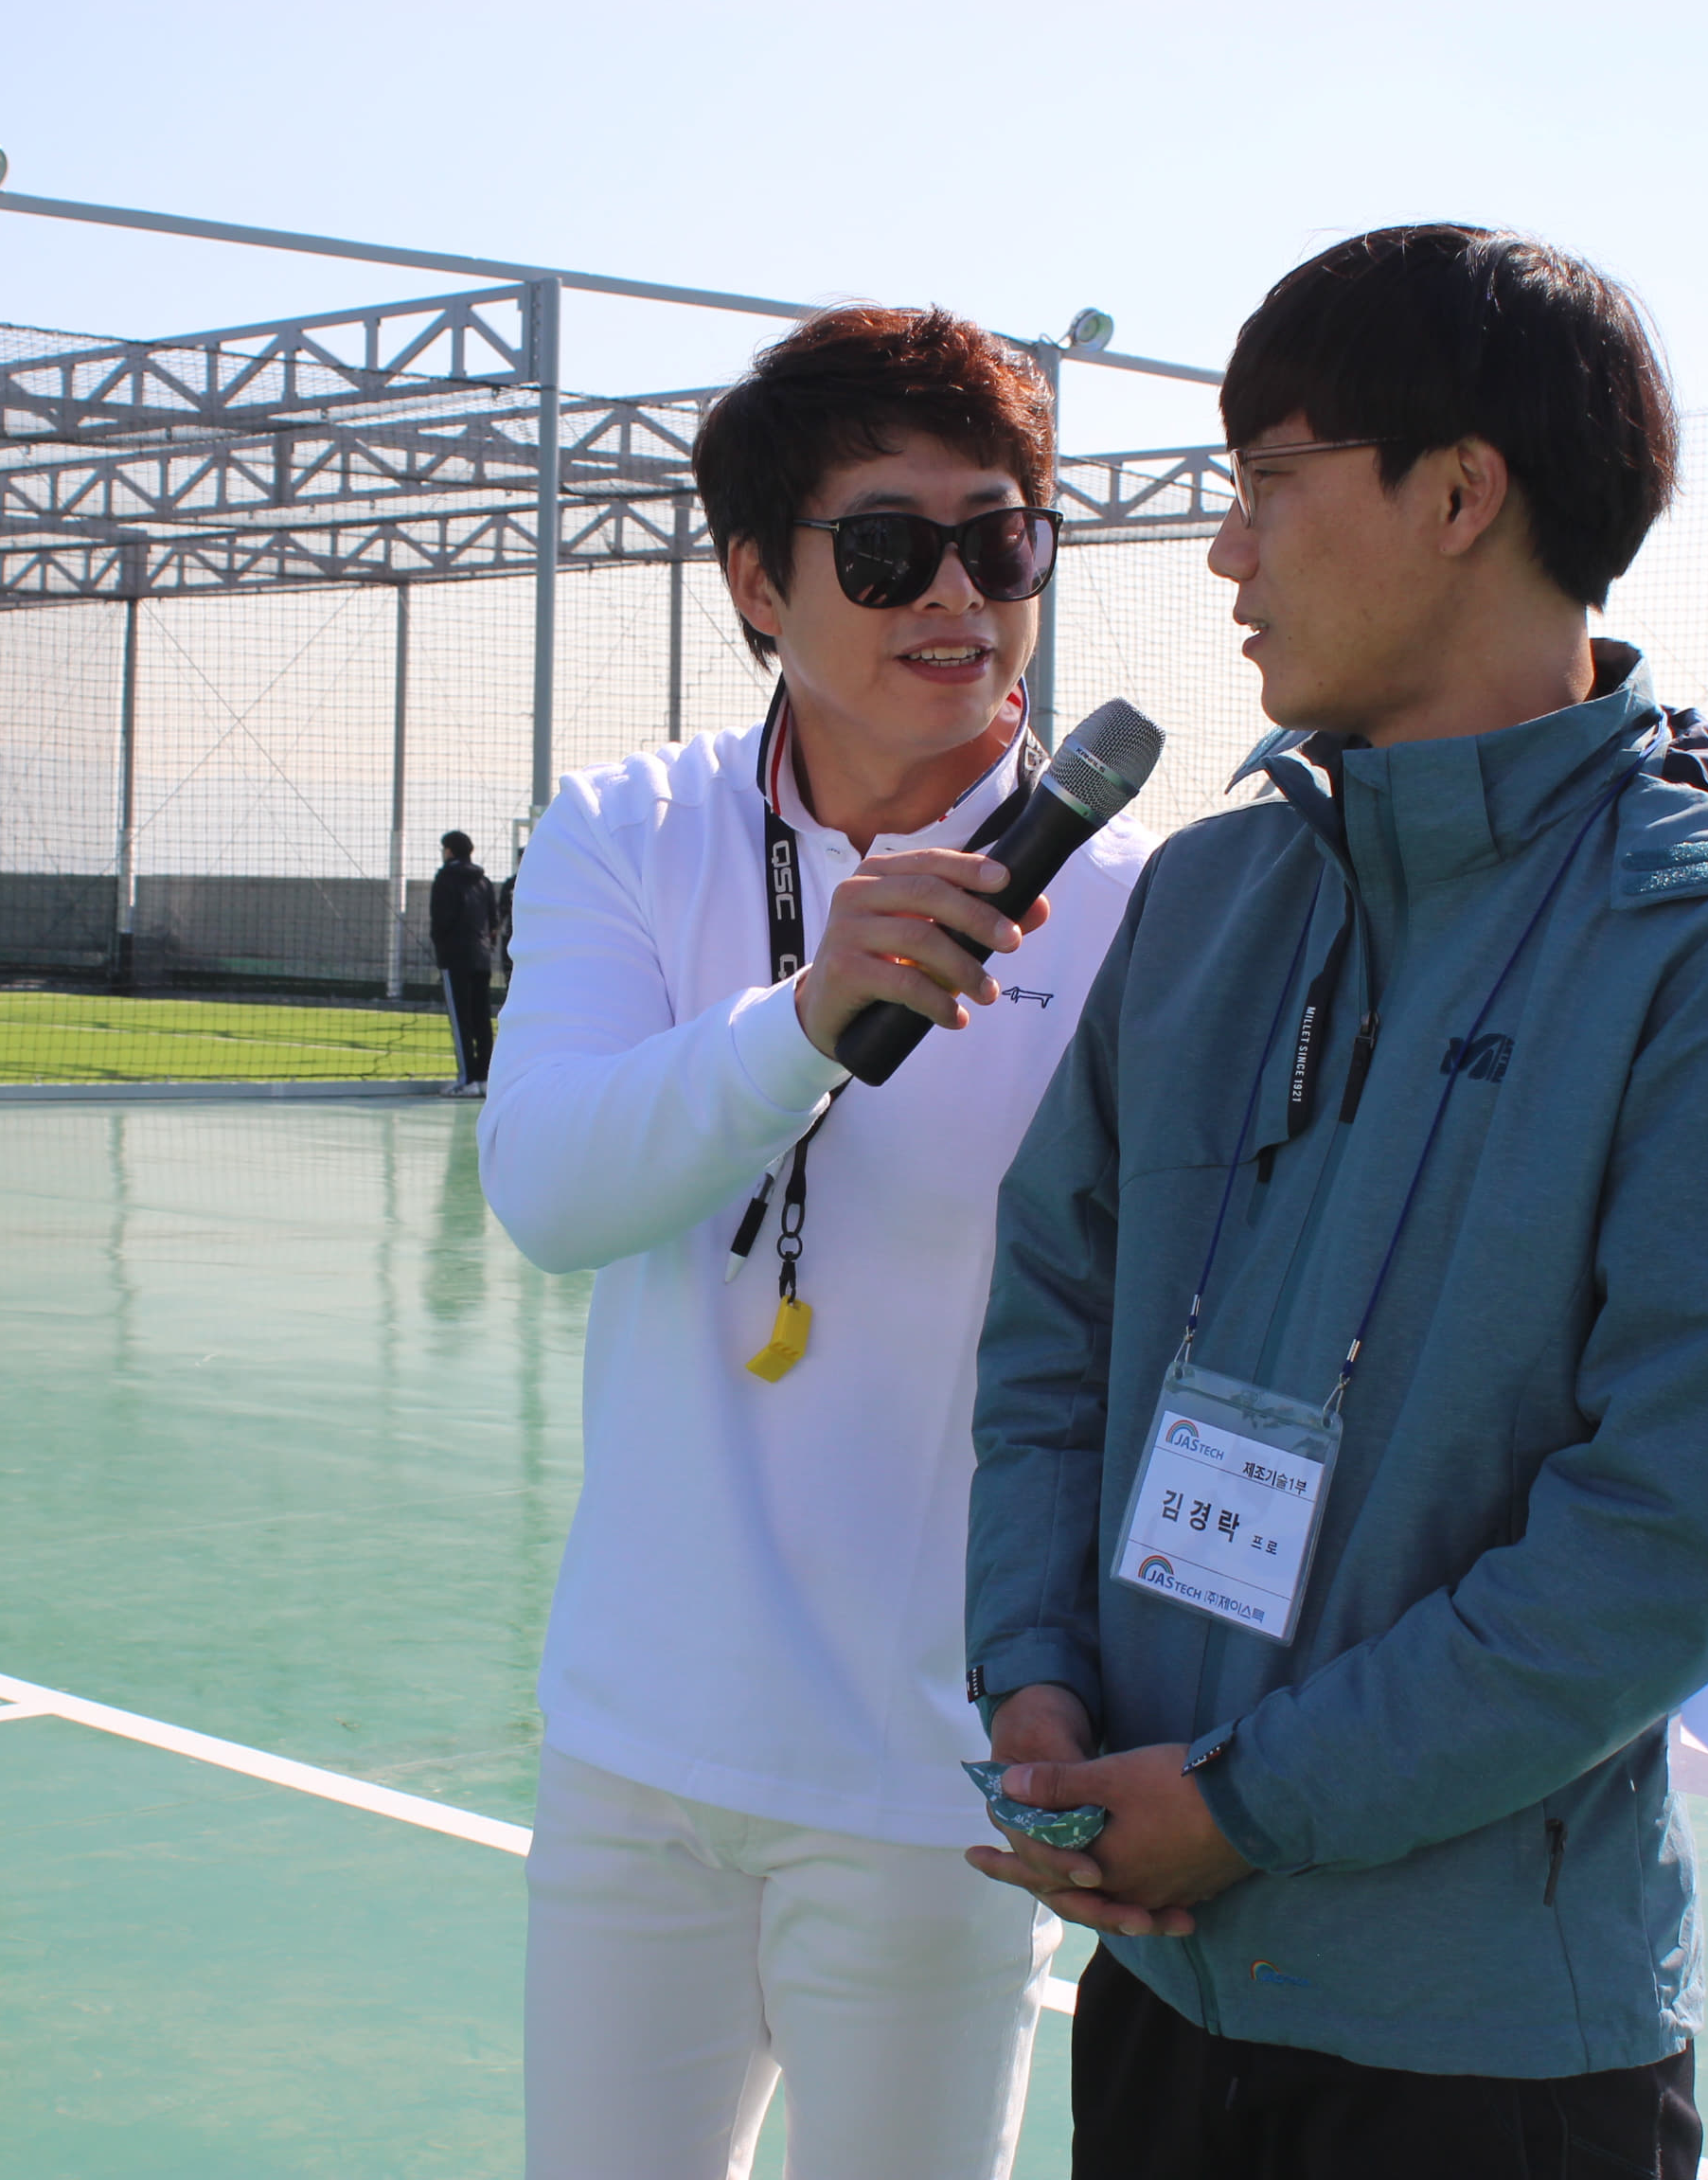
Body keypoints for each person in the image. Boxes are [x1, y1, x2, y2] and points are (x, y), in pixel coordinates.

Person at [965, 227, 1708, 2178]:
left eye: (1267, 484)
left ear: (1462, 494)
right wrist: (1034, 1674)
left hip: (1483, 2051)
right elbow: (1055, 1316)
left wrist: (1251, 1799)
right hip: (1163, 1988)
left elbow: (1670, 1538)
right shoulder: (1212, 898)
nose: (1225, 554)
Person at [482, 305, 1147, 2180]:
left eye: (1000, 540)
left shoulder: (1134, 904)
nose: (956, 594)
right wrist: (803, 1015)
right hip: (636, 1741)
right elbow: (550, 1185)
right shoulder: (630, 829)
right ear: (758, 581)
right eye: (885, 547)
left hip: (933, 1780)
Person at [429, 829, 497, 1097]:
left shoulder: (445, 879)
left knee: (461, 1020)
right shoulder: (484, 882)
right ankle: (484, 1078)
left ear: (449, 851)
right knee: (482, 1019)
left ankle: (466, 1079)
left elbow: (441, 920)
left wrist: (440, 945)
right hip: (482, 958)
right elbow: (493, 923)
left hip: (456, 957)